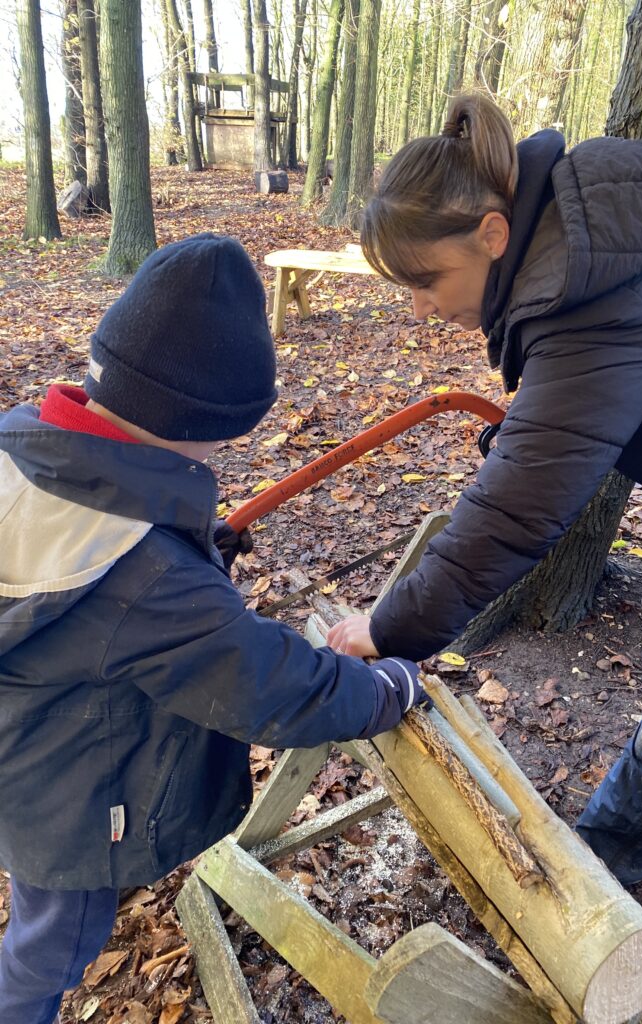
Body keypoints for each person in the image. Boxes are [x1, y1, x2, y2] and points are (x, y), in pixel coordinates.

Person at [327, 93, 642, 886]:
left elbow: (513, 515)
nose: (423, 309)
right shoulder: (596, 235)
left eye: (427, 282)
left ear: (493, 234)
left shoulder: (592, 297)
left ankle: (601, 885)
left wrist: (390, 628)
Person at [0, 233, 426, 1024]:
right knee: (54, 946)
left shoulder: (30, 449)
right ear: (185, 417)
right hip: (64, 792)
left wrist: (189, 549)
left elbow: (99, 589)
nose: (221, 456)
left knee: (41, 925)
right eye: (221, 437)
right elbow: (263, 680)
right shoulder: (143, 580)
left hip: (27, 736)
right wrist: (381, 691)